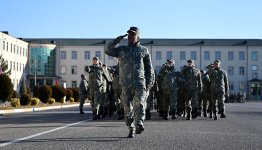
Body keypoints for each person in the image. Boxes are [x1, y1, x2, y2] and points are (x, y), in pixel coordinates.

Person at [105, 26, 155, 138]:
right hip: (125, 84)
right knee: (127, 109)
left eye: (133, 34)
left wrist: (149, 84)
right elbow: (107, 50)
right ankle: (131, 128)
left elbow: (149, 69)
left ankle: (139, 124)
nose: (131, 36)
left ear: (138, 36)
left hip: (139, 83)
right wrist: (117, 40)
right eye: (129, 34)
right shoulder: (122, 50)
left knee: (140, 104)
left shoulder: (143, 50)